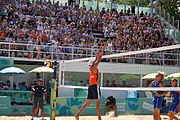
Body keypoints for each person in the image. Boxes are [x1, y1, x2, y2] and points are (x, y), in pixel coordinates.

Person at [75, 42, 106, 120]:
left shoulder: (90, 68)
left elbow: (96, 58)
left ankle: (77, 114)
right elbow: (99, 58)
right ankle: (99, 118)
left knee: (87, 102)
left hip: (90, 86)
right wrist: (103, 49)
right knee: (97, 103)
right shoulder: (95, 67)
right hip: (95, 86)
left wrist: (100, 49)